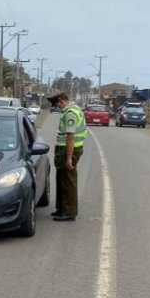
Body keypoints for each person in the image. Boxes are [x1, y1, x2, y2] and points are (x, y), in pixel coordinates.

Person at [47, 91, 86, 221]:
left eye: (57, 104)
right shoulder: (72, 109)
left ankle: (69, 212)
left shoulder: (70, 113)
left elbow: (70, 137)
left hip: (69, 150)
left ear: (61, 101)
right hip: (65, 150)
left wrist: (69, 158)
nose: (58, 107)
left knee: (68, 181)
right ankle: (62, 208)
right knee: (61, 179)